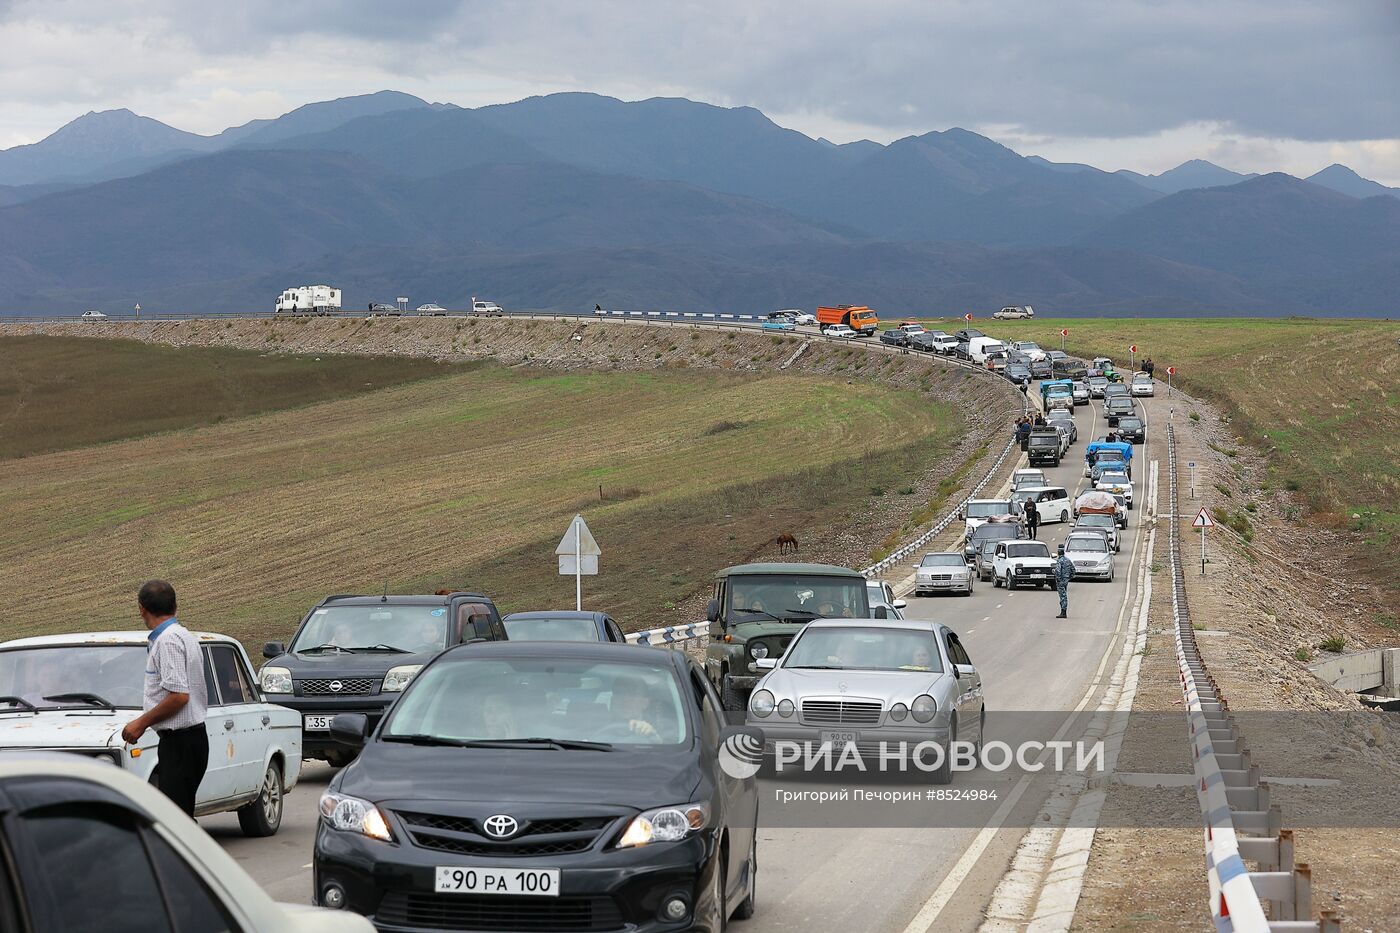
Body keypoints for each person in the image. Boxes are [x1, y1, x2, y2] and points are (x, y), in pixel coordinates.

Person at [121, 580, 208, 816]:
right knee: (181, 817)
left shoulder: (168, 641)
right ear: (175, 605)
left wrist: (141, 723)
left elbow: (180, 696)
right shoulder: (183, 635)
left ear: (141, 609)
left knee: (177, 821)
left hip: (180, 743)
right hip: (190, 740)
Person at [610, 675, 660, 740]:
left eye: (632, 694)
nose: (625, 699)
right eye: (619, 693)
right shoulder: (594, 729)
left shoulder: (661, 732)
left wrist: (654, 737)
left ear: (645, 702)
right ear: (612, 700)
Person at [1053, 546, 1074, 618]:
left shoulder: (1060, 561)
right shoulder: (1068, 560)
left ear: (1059, 553)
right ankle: (1063, 611)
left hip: (1061, 580)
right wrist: (1069, 577)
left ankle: (1063, 612)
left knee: (1062, 596)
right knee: (1064, 595)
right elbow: (1073, 570)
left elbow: (1058, 570)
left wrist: (1058, 578)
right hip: (1065, 580)